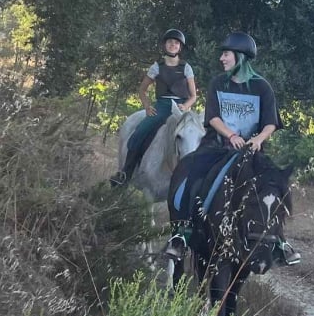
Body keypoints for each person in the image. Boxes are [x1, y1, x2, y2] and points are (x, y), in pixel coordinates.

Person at [163, 31, 302, 265]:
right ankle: (181, 234)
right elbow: (213, 117)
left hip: (251, 151)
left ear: (240, 57)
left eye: (226, 54)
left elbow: (271, 123)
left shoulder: (262, 87)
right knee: (191, 175)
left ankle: (280, 241)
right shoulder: (219, 83)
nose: (222, 59)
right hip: (217, 147)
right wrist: (231, 135)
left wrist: (258, 139)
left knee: (274, 185)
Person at [110, 28, 198, 186]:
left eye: (176, 43)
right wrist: (147, 106)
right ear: (165, 45)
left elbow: (193, 96)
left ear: (180, 47)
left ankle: (194, 180)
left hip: (182, 108)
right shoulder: (156, 67)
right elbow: (142, 90)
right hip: (162, 105)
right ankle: (125, 173)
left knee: (197, 137)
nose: (173, 45)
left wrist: (185, 106)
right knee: (139, 132)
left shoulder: (186, 68)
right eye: (170, 42)